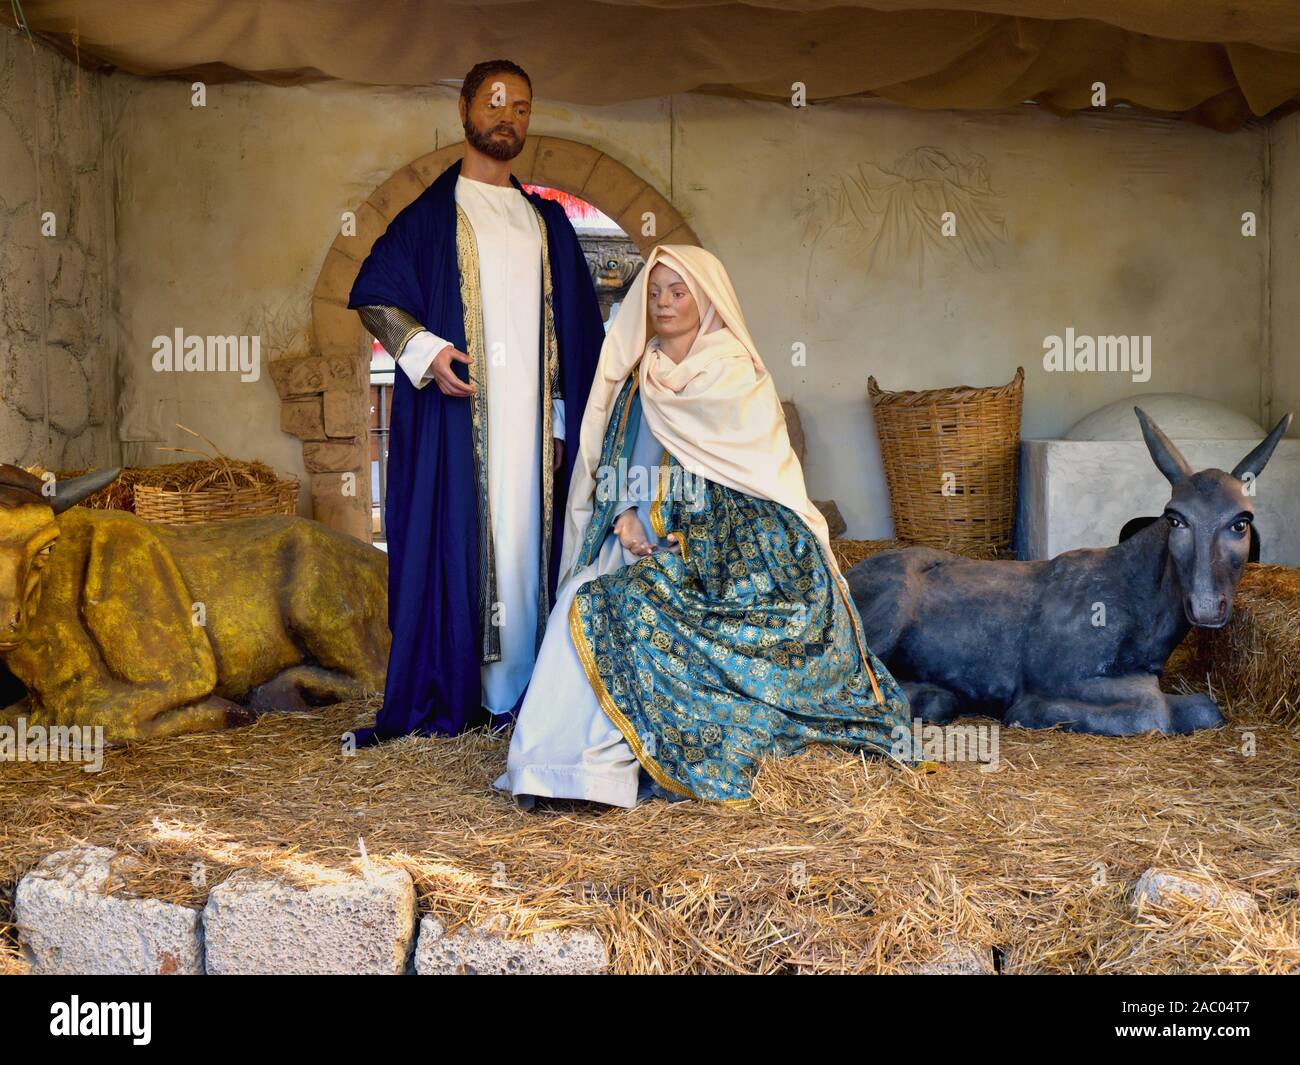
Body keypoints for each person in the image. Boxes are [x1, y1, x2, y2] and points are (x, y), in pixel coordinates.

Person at [495, 245, 912, 807]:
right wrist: (623, 516)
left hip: (747, 549)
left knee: (623, 604)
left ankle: (615, 766)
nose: (664, 303)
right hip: (637, 538)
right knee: (579, 597)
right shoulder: (638, 379)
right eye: (655, 292)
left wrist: (659, 519)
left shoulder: (736, 377)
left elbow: (748, 484)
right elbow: (616, 463)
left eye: (678, 291)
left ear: (707, 300)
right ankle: (565, 773)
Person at [347, 59, 605, 741]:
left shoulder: (545, 222)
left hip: (530, 435)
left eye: (521, 107)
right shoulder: (432, 218)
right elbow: (375, 295)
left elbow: (576, 336)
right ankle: (459, 688)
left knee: (528, 551)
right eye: (495, 103)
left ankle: (524, 694)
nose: (507, 118)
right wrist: (427, 351)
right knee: (464, 541)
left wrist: (557, 420)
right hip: (457, 426)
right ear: (464, 108)